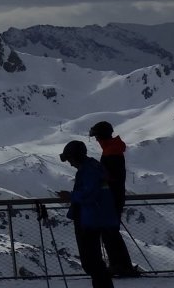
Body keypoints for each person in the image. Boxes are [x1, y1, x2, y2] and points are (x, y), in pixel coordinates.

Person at [60, 139, 120, 288]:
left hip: (90, 220)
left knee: (91, 262)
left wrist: (71, 196)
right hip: (95, 217)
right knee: (94, 261)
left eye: (70, 159)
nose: (70, 163)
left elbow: (90, 195)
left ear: (76, 156)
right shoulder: (94, 167)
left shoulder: (89, 171)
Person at [89, 122, 140, 277]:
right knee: (112, 233)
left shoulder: (111, 153)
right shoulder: (113, 150)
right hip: (115, 197)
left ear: (102, 137)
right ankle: (122, 265)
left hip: (110, 199)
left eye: (97, 136)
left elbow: (110, 178)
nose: (97, 140)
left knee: (109, 233)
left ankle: (119, 266)